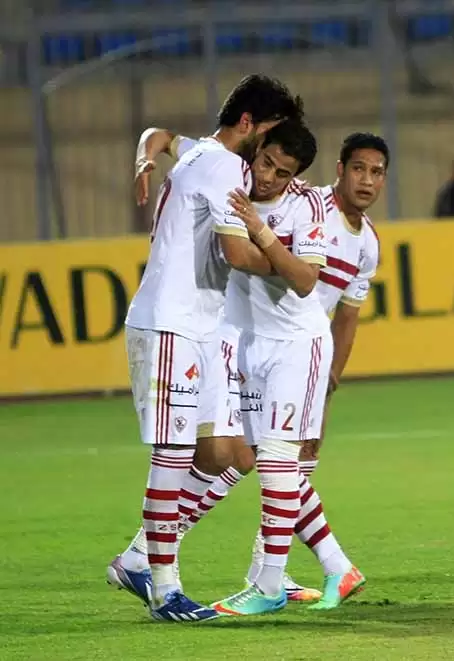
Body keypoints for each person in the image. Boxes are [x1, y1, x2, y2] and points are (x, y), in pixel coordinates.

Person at [111, 74, 302, 622]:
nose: (269, 147)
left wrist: (146, 159)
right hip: (172, 323)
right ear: (248, 123)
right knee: (172, 453)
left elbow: (158, 132)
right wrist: (294, 270)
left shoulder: (200, 152)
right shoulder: (226, 167)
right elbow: (239, 256)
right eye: (269, 131)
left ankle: (139, 557)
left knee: (233, 455)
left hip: (204, 326)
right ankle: (163, 588)